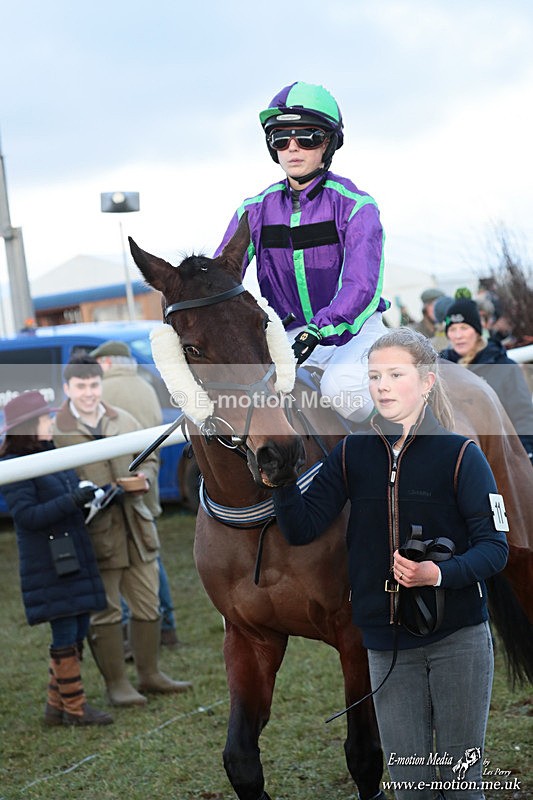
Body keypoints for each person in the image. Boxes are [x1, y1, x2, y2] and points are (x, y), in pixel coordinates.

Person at [272, 328, 508, 799]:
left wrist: (436, 573)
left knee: (462, 786)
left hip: (458, 639)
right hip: (384, 644)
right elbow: (301, 528)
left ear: (425, 382)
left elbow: (494, 549)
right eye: (374, 375)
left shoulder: (463, 455)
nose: (381, 385)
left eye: (395, 375)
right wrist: (280, 481)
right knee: (410, 788)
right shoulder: (350, 454)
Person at [214, 81, 389, 423]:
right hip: (289, 335)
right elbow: (223, 275)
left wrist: (319, 329)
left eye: (307, 137)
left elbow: (361, 287)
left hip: (354, 332)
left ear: (329, 143)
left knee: (341, 389)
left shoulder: (357, 207)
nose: (292, 148)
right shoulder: (253, 211)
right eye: (281, 139)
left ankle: (395, 458)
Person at [52, 355, 192, 706]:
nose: (89, 393)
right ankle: (117, 685)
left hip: (137, 525)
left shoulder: (123, 419)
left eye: (94, 385)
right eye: (81, 386)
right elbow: (56, 479)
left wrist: (146, 477)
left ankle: (150, 674)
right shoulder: (58, 431)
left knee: (148, 605)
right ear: (67, 388)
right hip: (95, 533)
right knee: (107, 611)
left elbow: (149, 456)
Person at [0, 391, 112, 726]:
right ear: (29, 426)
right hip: (48, 562)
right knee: (65, 630)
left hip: (70, 554)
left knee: (77, 625)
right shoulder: (15, 466)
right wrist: (75, 500)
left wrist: (95, 497)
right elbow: (28, 516)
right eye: (45, 418)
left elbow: (67, 497)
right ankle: (75, 709)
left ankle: (55, 706)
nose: (51, 421)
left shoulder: (51, 454)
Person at [90, 339, 181, 648]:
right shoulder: (145, 385)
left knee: (131, 562)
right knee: (150, 554)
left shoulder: (103, 392)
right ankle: (167, 623)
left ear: (107, 363)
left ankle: (139, 631)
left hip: (121, 484)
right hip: (147, 479)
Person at [440, 297, 533, 464]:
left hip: (500, 458)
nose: (458, 335)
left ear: (477, 330)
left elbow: (523, 414)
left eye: (464, 327)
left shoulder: (504, 367)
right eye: (452, 329)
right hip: (454, 459)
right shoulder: (441, 369)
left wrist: (526, 454)